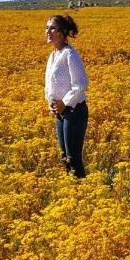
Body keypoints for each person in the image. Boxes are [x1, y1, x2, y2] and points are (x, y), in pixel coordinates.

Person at [44, 14, 89, 178]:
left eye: (52, 28)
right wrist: (51, 103)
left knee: (73, 158)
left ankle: (83, 193)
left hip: (74, 111)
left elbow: (81, 83)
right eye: (46, 28)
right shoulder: (53, 55)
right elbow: (50, 84)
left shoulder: (70, 54)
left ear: (62, 32)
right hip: (61, 112)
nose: (48, 31)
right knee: (65, 157)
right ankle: (74, 190)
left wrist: (64, 102)